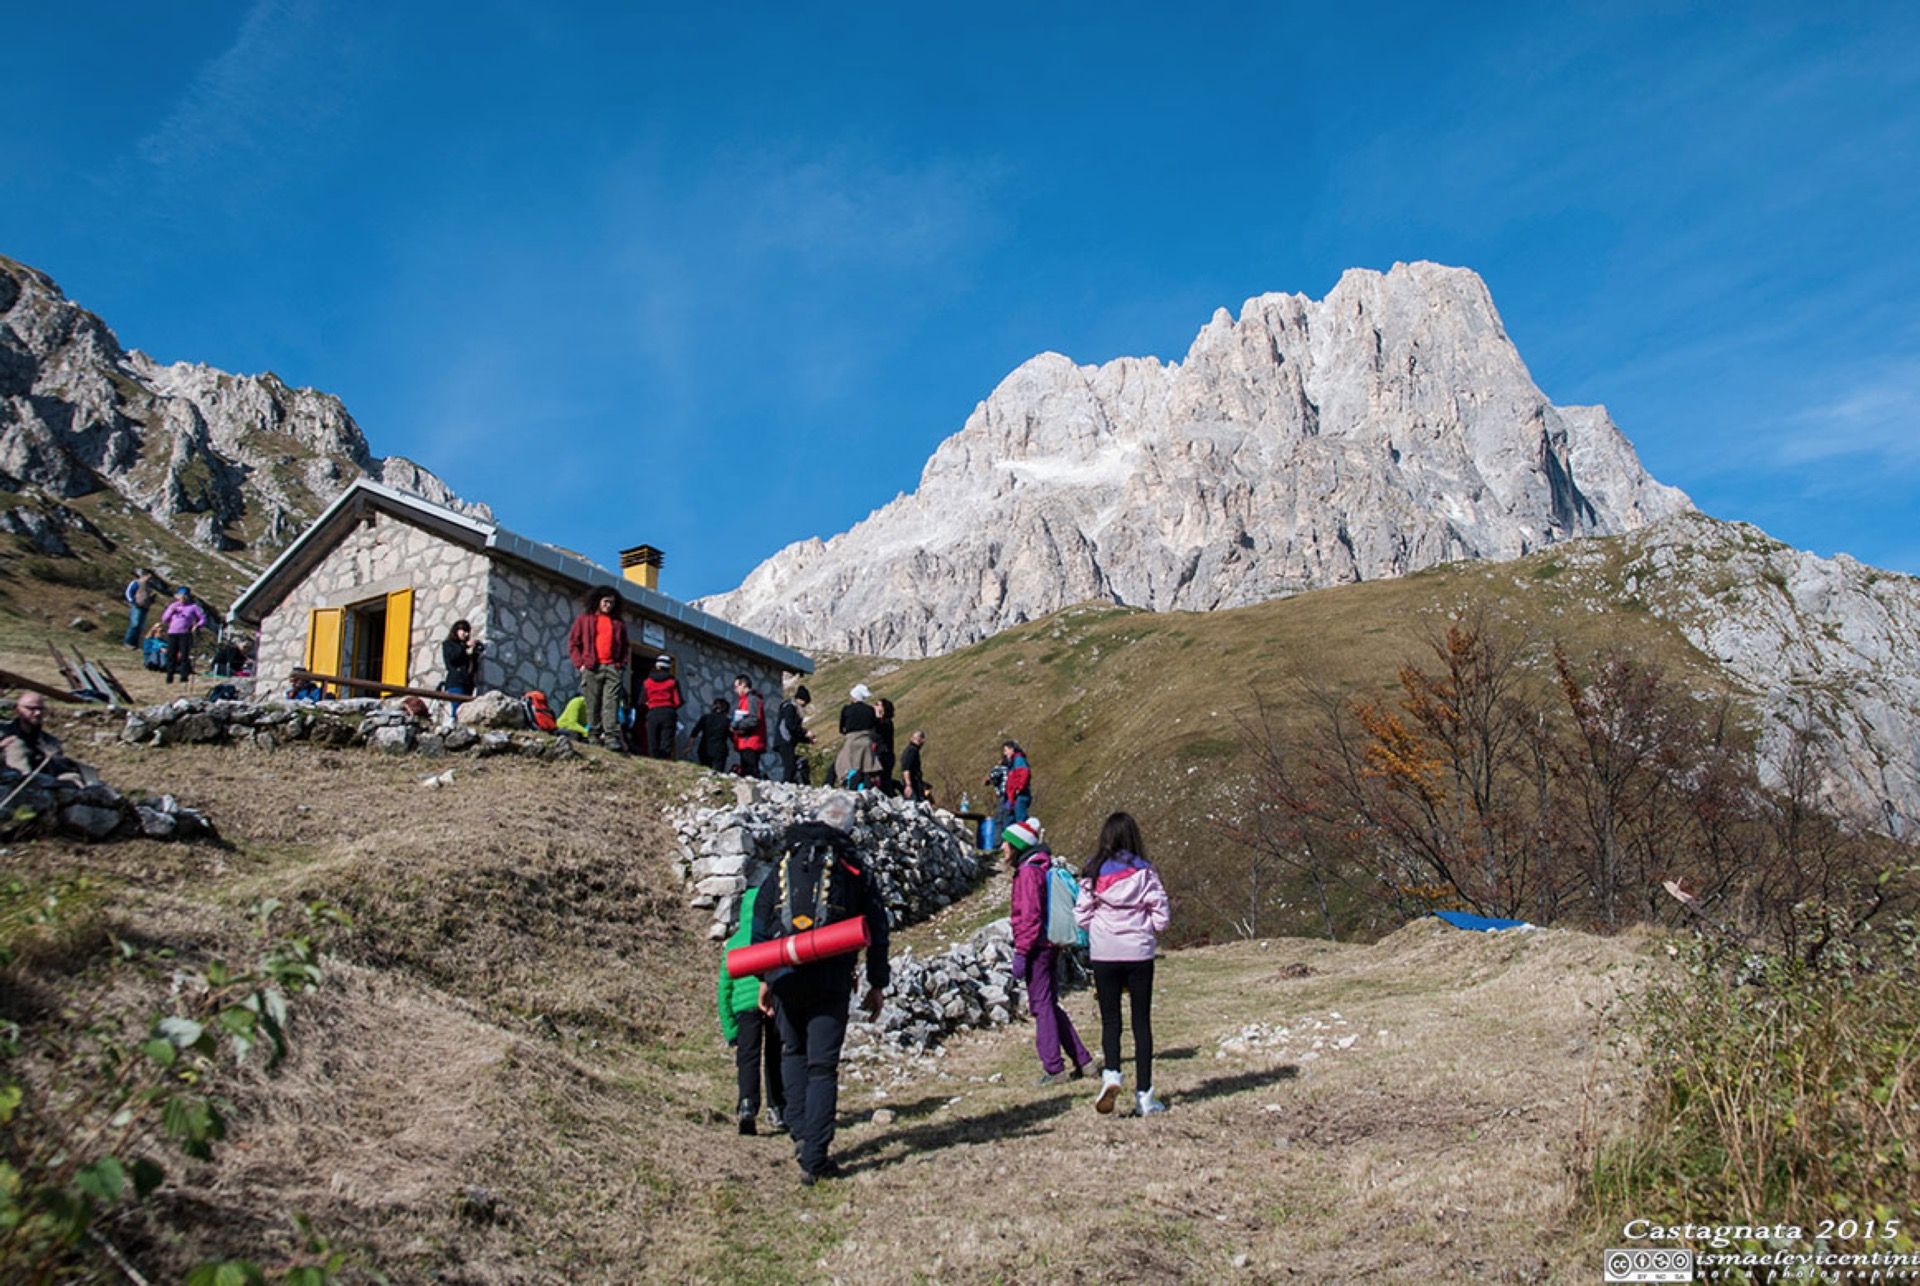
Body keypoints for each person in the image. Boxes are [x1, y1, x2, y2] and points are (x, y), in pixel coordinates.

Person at [749, 793, 890, 1184]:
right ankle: (815, 1157)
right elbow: (877, 927)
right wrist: (878, 983)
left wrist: (763, 978)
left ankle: (800, 1133)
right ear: (848, 829)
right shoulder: (852, 867)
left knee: (791, 1051)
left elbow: (761, 919)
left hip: (783, 972)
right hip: (830, 976)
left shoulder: (785, 861)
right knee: (822, 1066)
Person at [1075, 812, 1172, 1117]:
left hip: (1104, 952)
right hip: (1139, 953)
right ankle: (1145, 1095)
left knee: (1110, 1020)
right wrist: (1145, 924)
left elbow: (1081, 915)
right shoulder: (1145, 872)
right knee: (1141, 1022)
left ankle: (1112, 1075)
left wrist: (1101, 927)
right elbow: (1162, 918)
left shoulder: (1092, 870)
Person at [1004, 818, 1092, 1086]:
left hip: (1037, 947)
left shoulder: (1029, 872)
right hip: (1048, 943)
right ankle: (1084, 1061)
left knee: (1041, 1005)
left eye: (1007, 844)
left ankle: (1054, 1068)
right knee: (1049, 1003)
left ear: (1018, 846)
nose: (1003, 849)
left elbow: (1029, 916)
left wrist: (1021, 953)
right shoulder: (1041, 866)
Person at [718, 883, 786, 1136]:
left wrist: (729, 1028)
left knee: (748, 1058)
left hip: (744, 1009)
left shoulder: (734, 943)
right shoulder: (771, 934)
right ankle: (777, 1108)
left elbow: (723, 987)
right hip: (771, 1003)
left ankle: (747, 1105)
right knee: (774, 1057)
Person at [566, 587, 628, 747]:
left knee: (612, 703)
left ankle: (611, 737)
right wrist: (580, 664)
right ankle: (593, 735)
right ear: (598, 601)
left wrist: (620, 665)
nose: (609, 605)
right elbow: (573, 643)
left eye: (612, 603)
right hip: (591, 666)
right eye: (606, 602)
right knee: (592, 702)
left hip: (612, 667)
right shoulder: (584, 620)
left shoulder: (618, 624)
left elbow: (625, 647)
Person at [0, 692, 96, 785]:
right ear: (18, 709)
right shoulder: (4, 733)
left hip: (44, 786)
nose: (37, 713)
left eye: (40, 709)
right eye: (31, 709)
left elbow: (60, 768)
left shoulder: (50, 741)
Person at [834, 684, 881, 789]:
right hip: (866, 741)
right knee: (867, 767)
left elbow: (842, 728)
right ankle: (865, 788)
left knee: (847, 763)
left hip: (852, 741)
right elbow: (875, 726)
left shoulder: (847, 709)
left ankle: (851, 784)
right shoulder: (870, 709)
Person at [160, 587, 208, 685]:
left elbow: (203, 619)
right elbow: (164, 619)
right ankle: (170, 675)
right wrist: (171, 611)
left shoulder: (193, 607)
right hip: (172, 633)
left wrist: (197, 625)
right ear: (177, 597)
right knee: (171, 655)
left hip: (185, 633)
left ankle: (184, 675)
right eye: (181, 597)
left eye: (185, 597)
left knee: (184, 655)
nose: (183, 599)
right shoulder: (173, 606)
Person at [641, 656, 682, 761]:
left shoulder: (647, 682)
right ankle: (664, 761)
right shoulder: (673, 682)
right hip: (668, 712)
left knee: (652, 741)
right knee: (666, 742)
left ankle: (653, 761)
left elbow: (642, 701)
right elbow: (678, 701)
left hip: (653, 712)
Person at [772, 685, 814, 784]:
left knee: (791, 766)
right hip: (784, 741)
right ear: (800, 699)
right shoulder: (789, 707)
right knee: (789, 766)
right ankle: (785, 786)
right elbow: (791, 726)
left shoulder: (792, 707)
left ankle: (788, 784)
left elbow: (794, 732)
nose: (805, 705)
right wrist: (805, 733)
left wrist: (807, 739)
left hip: (787, 741)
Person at [730, 675, 767, 778]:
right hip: (746, 741)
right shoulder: (746, 700)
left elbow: (754, 719)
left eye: (737, 686)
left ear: (743, 684)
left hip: (750, 742)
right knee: (746, 772)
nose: (735, 690)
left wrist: (736, 725)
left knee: (750, 773)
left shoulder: (752, 699)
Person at [441, 620, 483, 706]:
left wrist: (476, 651)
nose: (466, 634)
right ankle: (454, 719)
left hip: (468, 683)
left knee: (465, 710)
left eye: (468, 631)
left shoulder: (463, 647)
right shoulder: (448, 644)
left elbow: (473, 664)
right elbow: (453, 657)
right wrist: (466, 646)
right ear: (456, 630)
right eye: (464, 631)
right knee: (457, 709)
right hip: (456, 682)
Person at [686, 698, 732, 770]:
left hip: (704, 749)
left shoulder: (705, 718)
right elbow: (732, 736)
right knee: (718, 773)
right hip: (720, 750)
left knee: (705, 771)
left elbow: (694, 732)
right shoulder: (727, 721)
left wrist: (689, 747)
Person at [122, 568, 157, 648]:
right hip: (137, 606)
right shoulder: (136, 583)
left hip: (145, 606)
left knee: (140, 626)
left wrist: (151, 600)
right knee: (135, 624)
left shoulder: (148, 585)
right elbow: (128, 593)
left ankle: (134, 643)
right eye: (149, 576)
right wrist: (133, 602)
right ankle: (128, 642)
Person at [1000, 741, 1033, 823]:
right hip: (1010, 798)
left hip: (1018, 796)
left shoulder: (1018, 759)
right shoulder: (1011, 764)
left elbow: (1024, 773)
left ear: (1012, 749)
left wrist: (1019, 788)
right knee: (1006, 818)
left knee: (1020, 821)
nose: (1005, 753)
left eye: (1006, 750)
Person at [873, 698, 898, 795]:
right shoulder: (882, 722)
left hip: (884, 756)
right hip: (881, 755)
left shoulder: (886, 723)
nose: (874, 706)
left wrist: (877, 716)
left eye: (877, 704)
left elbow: (879, 731)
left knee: (883, 783)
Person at [899, 729, 929, 803]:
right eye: (922, 738)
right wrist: (908, 785)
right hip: (913, 785)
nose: (923, 741)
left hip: (915, 783)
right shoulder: (912, 751)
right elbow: (906, 769)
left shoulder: (913, 750)